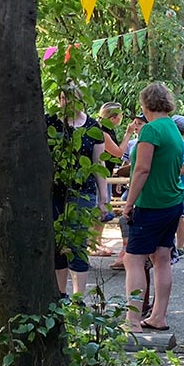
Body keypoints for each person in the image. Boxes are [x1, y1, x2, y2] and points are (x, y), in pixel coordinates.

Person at [121, 83, 184, 332]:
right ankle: (158, 316)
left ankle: (132, 320)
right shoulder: (172, 127)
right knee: (161, 257)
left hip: (151, 204)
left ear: (145, 104)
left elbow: (142, 169)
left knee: (133, 259)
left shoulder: (150, 130)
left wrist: (129, 203)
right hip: (173, 202)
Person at [47, 83, 109, 298]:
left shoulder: (92, 127)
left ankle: (78, 297)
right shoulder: (51, 122)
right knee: (57, 243)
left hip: (83, 191)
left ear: (81, 99)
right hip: (55, 192)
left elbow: (99, 164)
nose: (66, 102)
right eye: (62, 98)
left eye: (71, 98)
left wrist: (103, 199)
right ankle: (60, 294)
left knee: (77, 243)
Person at [92, 102, 140, 257]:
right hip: (98, 176)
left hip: (106, 174)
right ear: (112, 118)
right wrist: (128, 133)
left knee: (103, 209)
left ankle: (97, 241)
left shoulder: (109, 130)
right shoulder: (102, 133)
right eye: (120, 115)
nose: (122, 117)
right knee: (99, 209)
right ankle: (93, 244)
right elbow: (118, 153)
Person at [111, 113, 148, 270]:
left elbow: (143, 168)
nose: (136, 126)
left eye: (140, 123)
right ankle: (127, 251)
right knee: (125, 219)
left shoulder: (151, 142)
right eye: (135, 123)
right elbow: (125, 165)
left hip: (145, 191)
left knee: (130, 218)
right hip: (131, 187)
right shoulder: (132, 143)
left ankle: (135, 254)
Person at [172, 115, 184, 258]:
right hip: (181, 186)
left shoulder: (178, 144)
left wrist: (167, 173)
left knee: (180, 216)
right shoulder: (181, 143)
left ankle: (180, 246)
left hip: (180, 187)